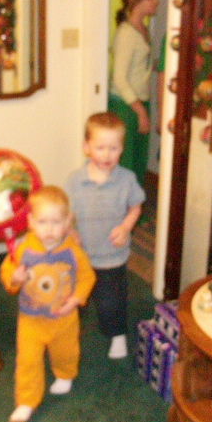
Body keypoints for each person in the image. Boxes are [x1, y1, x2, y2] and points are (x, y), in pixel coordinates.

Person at [0, 185, 96, 422]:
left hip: (64, 318)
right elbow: (7, 268)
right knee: (27, 360)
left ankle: (65, 375)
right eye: (42, 222)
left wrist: (76, 299)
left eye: (56, 222)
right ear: (31, 222)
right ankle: (26, 401)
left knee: (66, 352)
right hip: (31, 319)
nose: (50, 229)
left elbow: (87, 276)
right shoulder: (24, 247)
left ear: (68, 222)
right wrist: (14, 278)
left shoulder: (72, 251)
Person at [65, 112, 145, 359]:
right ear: (86, 147)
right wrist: (70, 230)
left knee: (112, 301)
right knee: (75, 297)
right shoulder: (75, 181)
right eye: (100, 148)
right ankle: (69, 334)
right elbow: (68, 212)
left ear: (122, 148)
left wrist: (126, 227)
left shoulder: (127, 180)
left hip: (112, 255)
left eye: (114, 148)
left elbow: (136, 206)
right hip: (82, 255)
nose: (107, 155)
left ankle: (117, 334)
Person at [109, 0, 160, 188]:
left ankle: (134, 204)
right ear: (138, 0)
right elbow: (119, 78)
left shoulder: (142, 29)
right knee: (126, 164)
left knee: (138, 162)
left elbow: (140, 66)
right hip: (126, 106)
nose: (157, 1)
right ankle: (124, 206)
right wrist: (140, 112)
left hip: (139, 102)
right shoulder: (126, 33)